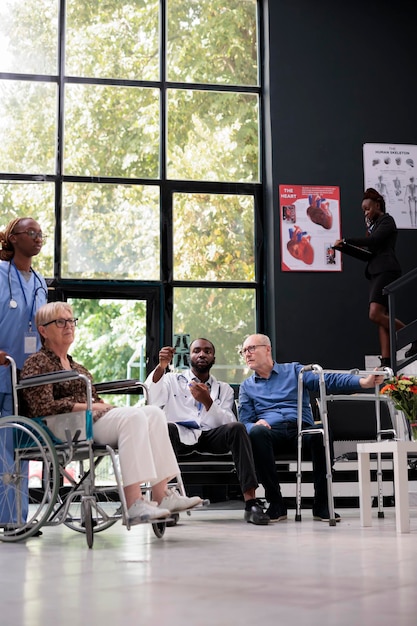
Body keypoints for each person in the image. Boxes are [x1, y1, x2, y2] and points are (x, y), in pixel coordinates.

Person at [20, 302, 203, 525]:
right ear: (43, 330)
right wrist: (92, 407)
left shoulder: (77, 367)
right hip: (59, 425)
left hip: (86, 420)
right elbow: (42, 407)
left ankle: (162, 495)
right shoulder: (36, 363)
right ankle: (134, 502)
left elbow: (96, 402)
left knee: (154, 413)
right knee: (132, 417)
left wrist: (101, 406)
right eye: (60, 322)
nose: (69, 326)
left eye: (71, 321)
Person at [238, 334, 385, 522]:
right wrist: (254, 424)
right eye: (244, 351)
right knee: (256, 432)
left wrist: (363, 382)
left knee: (321, 432)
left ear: (267, 349)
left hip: (300, 431)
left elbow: (328, 379)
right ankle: (276, 503)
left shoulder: (294, 371)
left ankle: (322, 504)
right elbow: (245, 421)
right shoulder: (247, 387)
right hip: (270, 435)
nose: (247, 354)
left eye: (251, 348)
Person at [145, 339, 270, 525]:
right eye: (196, 351)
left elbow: (227, 422)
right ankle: (165, 501)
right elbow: (151, 397)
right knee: (167, 428)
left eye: (207, 351)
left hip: (210, 436)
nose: (202, 354)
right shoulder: (172, 380)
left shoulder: (223, 389)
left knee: (237, 428)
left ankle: (251, 503)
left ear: (213, 358)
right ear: (189, 356)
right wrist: (162, 367)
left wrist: (207, 401)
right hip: (180, 434)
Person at [0, 217, 48, 525]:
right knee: (3, 448)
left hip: (27, 376)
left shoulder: (41, 281)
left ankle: (18, 517)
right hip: (3, 370)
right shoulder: (0, 272)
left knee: (19, 449)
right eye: (31, 233)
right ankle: (9, 519)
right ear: (13, 238)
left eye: (41, 234)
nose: (38, 238)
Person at [334, 188, 417, 366]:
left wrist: (348, 240)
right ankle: (386, 360)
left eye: (368, 208)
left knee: (375, 314)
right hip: (376, 271)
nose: (366, 212)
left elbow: (374, 242)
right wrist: (343, 247)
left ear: (377, 205)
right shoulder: (373, 227)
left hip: (387, 270)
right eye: (363, 210)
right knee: (382, 316)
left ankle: (414, 336)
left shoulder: (387, 221)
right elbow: (367, 255)